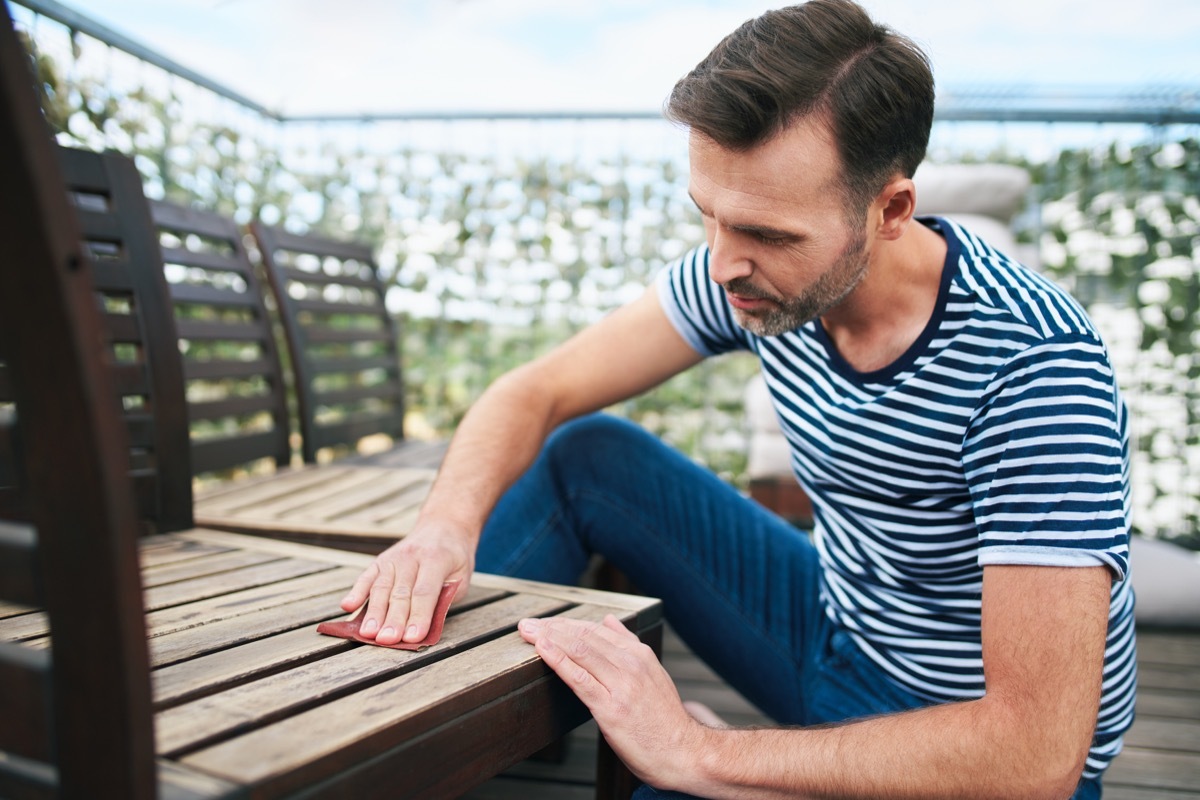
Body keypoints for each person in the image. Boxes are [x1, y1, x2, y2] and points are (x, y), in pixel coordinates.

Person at [340, 1, 1136, 796]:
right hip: (834, 627)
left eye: (769, 234)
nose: (723, 264)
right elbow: (536, 389)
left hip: (966, 748)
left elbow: (1033, 755)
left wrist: (698, 752)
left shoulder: (1033, 367)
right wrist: (442, 530)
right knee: (588, 455)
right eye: (709, 217)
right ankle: (393, 726)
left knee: (664, 788)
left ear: (890, 210)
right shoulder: (749, 275)